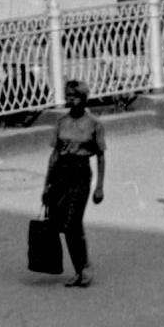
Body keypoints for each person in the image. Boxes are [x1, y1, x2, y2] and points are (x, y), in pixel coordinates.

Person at [42, 78, 106, 287]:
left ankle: (84, 267)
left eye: (75, 96)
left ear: (84, 98)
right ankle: (80, 269)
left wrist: (99, 187)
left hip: (80, 175)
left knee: (72, 223)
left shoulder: (95, 124)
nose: (71, 100)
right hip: (61, 175)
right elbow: (54, 154)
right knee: (65, 225)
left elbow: (100, 156)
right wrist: (47, 184)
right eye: (68, 96)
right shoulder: (61, 122)